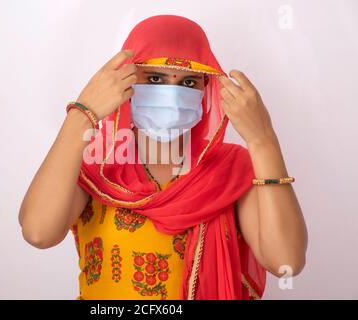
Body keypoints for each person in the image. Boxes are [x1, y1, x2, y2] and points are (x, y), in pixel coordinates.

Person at [19, 15, 308, 300]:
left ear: (207, 87)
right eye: (155, 78)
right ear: (126, 80)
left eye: (188, 82)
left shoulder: (231, 168)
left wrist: (263, 140)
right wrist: (82, 115)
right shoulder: (97, 163)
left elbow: (286, 262)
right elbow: (38, 233)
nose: (171, 95)